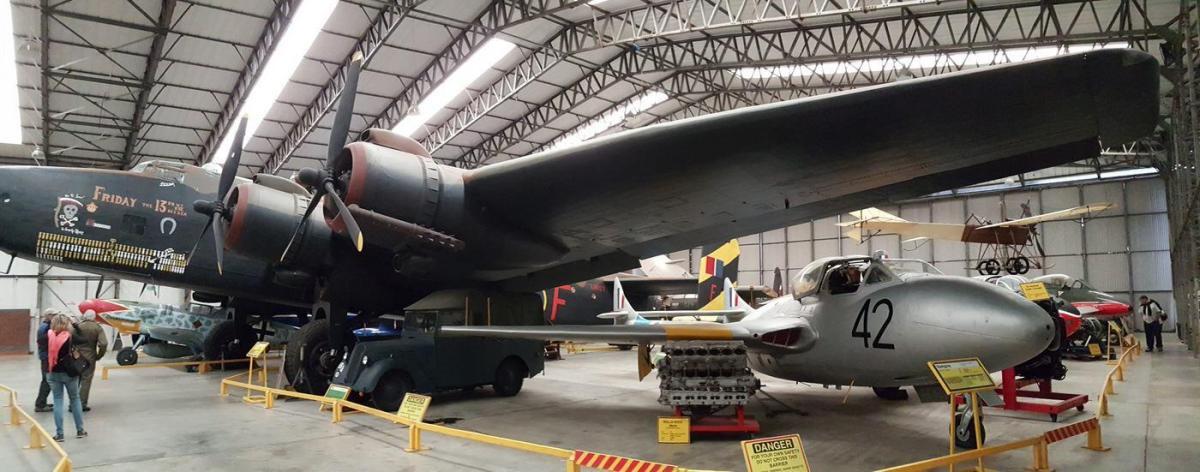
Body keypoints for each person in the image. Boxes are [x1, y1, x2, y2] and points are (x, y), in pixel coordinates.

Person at [46, 313, 86, 442]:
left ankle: (60, 434)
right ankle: (80, 430)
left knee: (58, 401)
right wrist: (75, 323)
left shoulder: (49, 335)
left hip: (53, 372)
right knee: (74, 399)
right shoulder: (70, 337)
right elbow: (83, 338)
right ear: (66, 324)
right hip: (69, 373)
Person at [72, 309, 107, 411]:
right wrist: (99, 355)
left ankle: (72, 404)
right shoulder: (97, 328)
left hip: (76, 356)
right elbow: (103, 343)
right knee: (86, 380)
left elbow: (71, 339)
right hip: (90, 357)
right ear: (94, 317)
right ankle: (81, 404)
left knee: (75, 380)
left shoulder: (79, 326)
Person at [34, 311, 54, 412]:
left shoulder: (44, 326)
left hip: (45, 356)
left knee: (47, 380)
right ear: (49, 316)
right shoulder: (45, 328)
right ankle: (40, 405)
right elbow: (44, 341)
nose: (55, 317)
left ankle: (42, 402)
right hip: (46, 357)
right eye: (53, 315)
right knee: (47, 380)